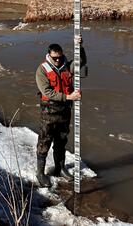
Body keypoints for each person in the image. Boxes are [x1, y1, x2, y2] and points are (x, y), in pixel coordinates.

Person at [35, 36, 87, 187]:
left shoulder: (66, 65)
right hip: (49, 112)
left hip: (65, 111)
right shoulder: (42, 70)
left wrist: (80, 47)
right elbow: (47, 91)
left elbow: (81, 62)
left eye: (60, 57)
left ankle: (60, 168)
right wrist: (68, 96)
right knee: (44, 141)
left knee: (61, 141)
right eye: (55, 58)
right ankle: (40, 173)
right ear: (49, 55)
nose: (58, 60)